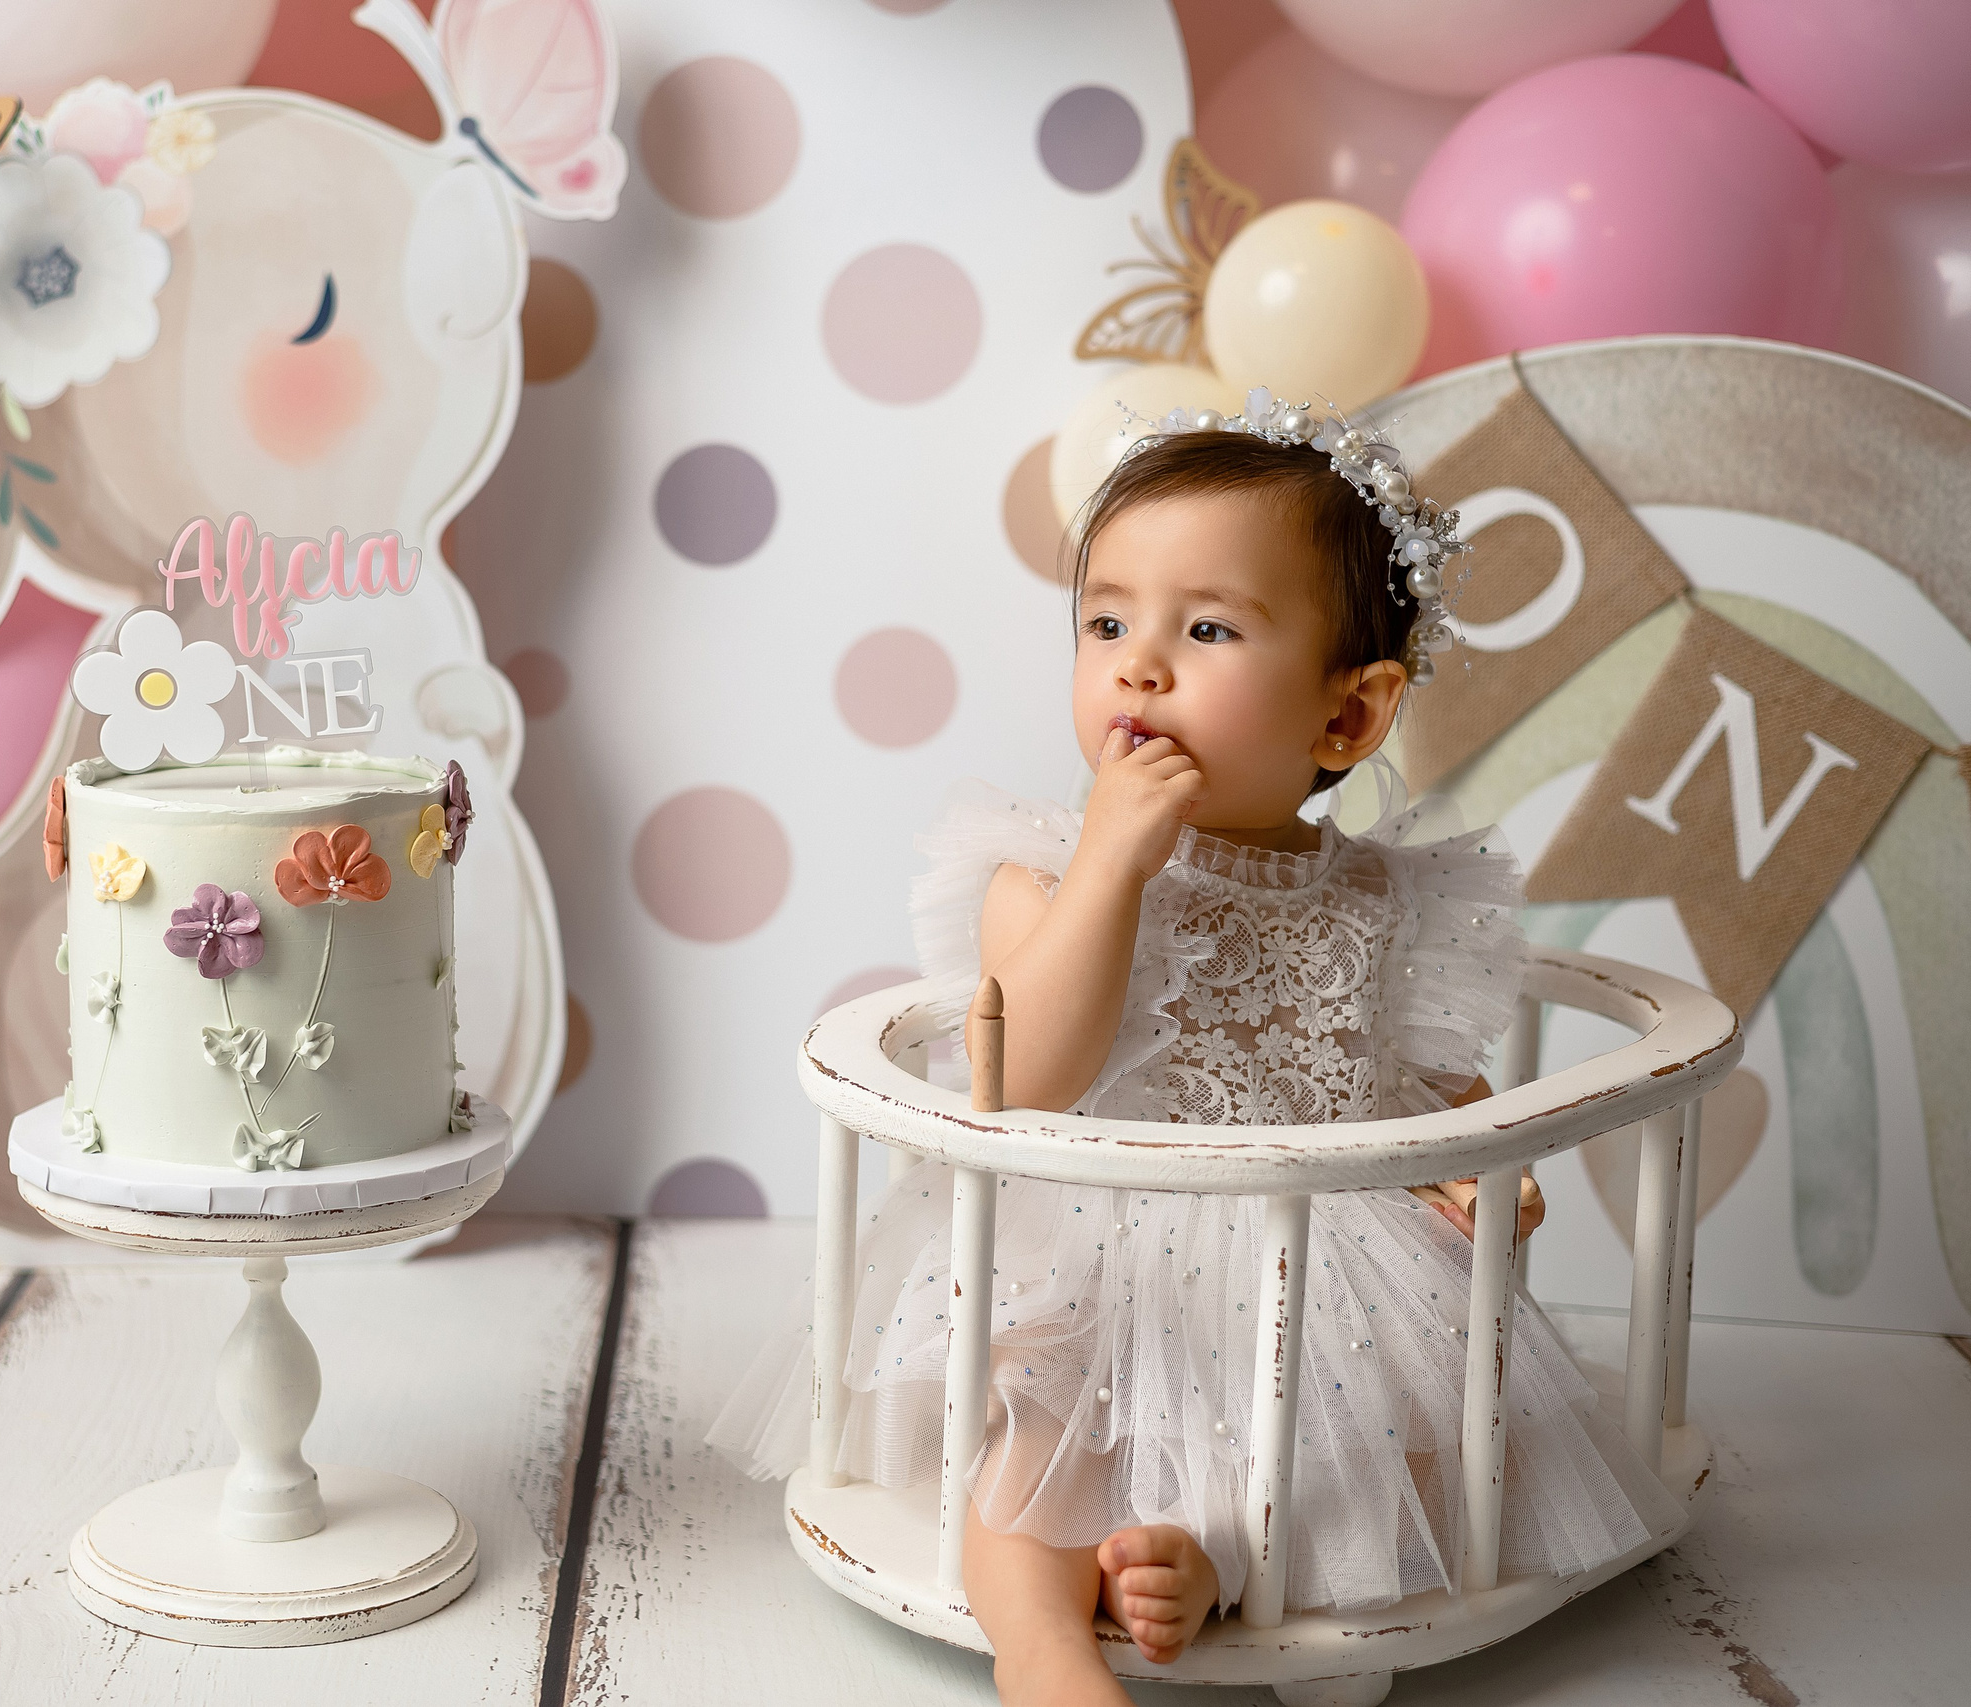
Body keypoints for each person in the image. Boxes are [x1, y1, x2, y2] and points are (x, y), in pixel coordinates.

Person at [709, 391, 1681, 1707]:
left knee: (1390, 1439)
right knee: (1034, 1442)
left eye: (1207, 628)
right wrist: (1114, 860)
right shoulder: (1036, 870)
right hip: (1099, 1244)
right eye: (1106, 622)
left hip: (1321, 1264)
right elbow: (1024, 1083)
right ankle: (1046, 1650)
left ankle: (1204, 1561)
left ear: (1348, 719)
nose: (1139, 664)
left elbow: (1403, 1080)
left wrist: (1467, 1165)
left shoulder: (1393, 903)